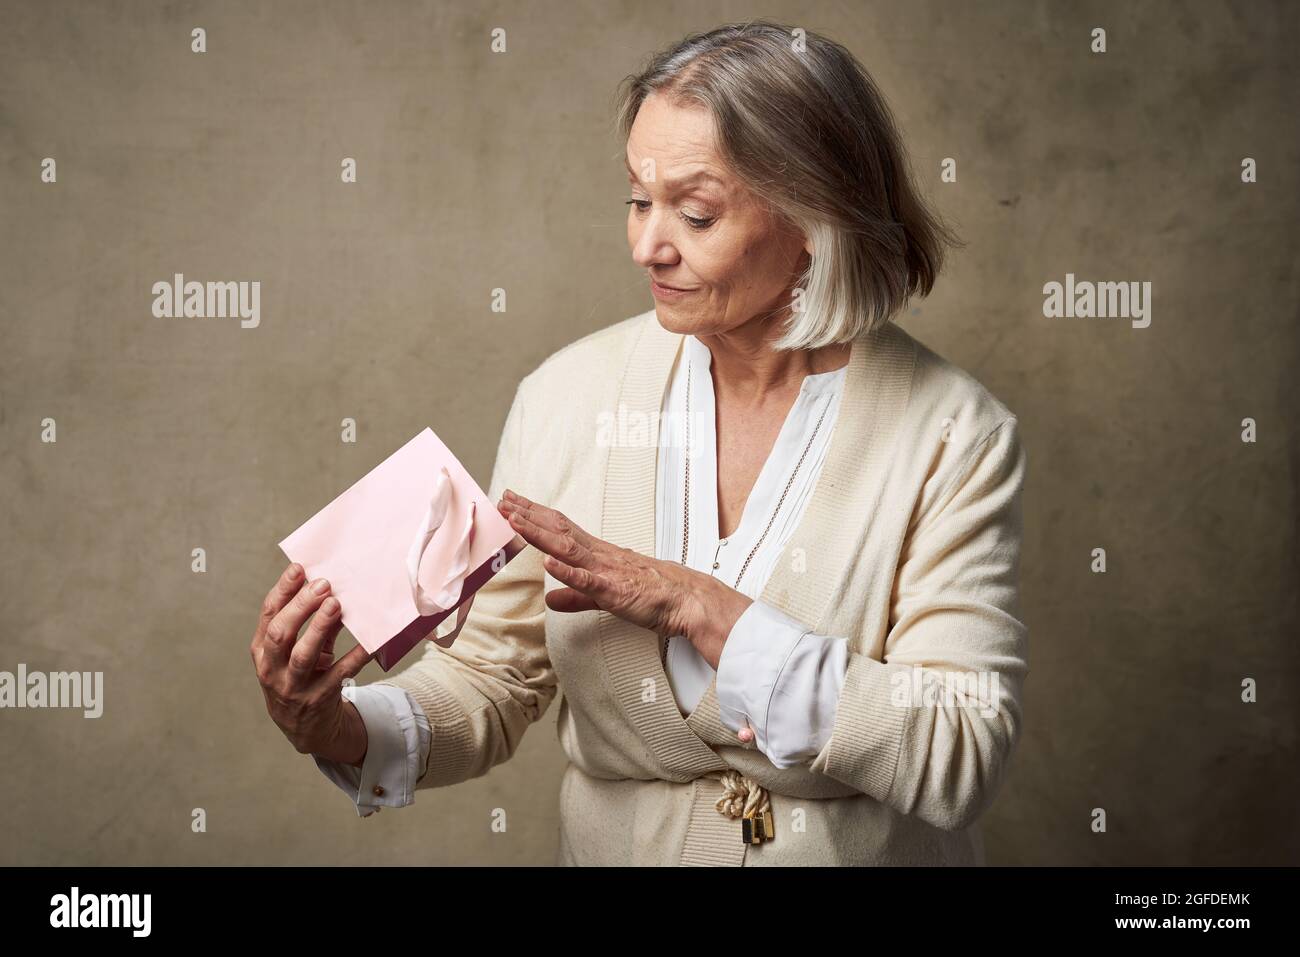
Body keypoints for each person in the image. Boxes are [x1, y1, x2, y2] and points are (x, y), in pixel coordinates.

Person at [251, 20, 1028, 866]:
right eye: (637, 198)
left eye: (695, 213)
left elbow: (963, 745)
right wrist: (338, 725)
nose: (646, 245)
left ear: (817, 217)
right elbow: (492, 681)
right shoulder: (564, 395)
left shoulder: (955, 433)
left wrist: (703, 607)